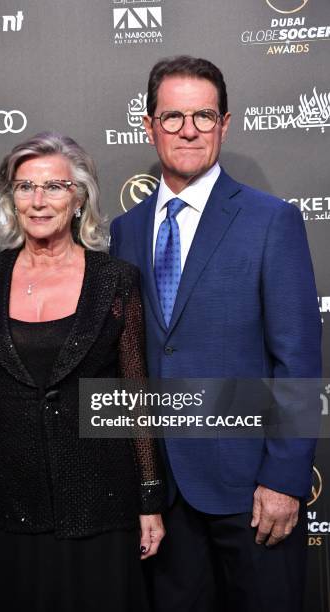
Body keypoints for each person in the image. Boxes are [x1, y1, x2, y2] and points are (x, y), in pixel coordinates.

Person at [110, 56, 322, 612]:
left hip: (251, 490)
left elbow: (297, 359)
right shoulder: (124, 231)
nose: (188, 130)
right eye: (173, 116)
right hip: (163, 499)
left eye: (203, 116)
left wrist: (282, 478)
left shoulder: (270, 219)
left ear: (225, 124)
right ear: (149, 124)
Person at [0, 131, 165, 612]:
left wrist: (149, 498)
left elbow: (135, 394)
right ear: (11, 198)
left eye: (54, 187)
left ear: (79, 197)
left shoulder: (114, 279)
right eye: (25, 187)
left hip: (100, 501)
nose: (38, 201)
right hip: (7, 502)